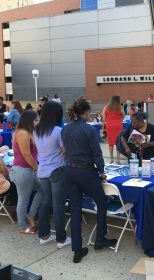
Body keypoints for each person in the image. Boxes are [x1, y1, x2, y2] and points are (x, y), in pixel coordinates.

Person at [62, 98, 117, 263]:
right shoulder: (89, 129)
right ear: (86, 113)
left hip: (70, 170)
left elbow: (65, 151)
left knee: (75, 209)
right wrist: (101, 171)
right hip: (86, 171)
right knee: (101, 202)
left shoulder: (65, 129)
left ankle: (77, 250)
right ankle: (100, 238)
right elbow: (96, 153)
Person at [34, 101, 71, 249]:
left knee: (45, 202)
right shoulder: (57, 131)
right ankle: (61, 239)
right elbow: (65, 151)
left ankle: (44, 235)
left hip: (42, 171)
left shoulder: (36, 130)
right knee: (58, 206)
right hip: (57, 170)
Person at [9, 110, 41, 234]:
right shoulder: (23, 133)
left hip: (27, 170)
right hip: (22, 170)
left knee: (43, 190)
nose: (38, 122)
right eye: (36, 120)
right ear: (30, 120)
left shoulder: (29, 132)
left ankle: (31, 215)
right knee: (23, 199)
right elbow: (26, 154)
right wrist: (37, 168)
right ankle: (22, 226)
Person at [103, 96, 125, 163]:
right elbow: (123, 115)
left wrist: (103, 128)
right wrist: (119, 120)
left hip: (109, 126)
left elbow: (104, 118)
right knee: (118, 143)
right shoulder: (120, 107)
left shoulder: (106, 107)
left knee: (110, 143)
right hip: (118, 125)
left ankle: (111, 158)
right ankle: (118, 159)